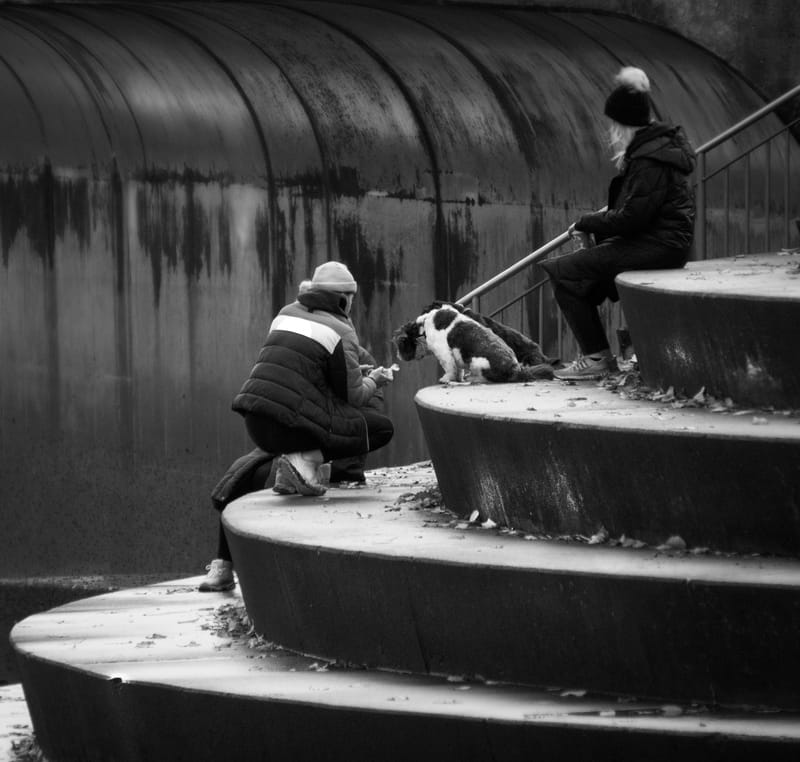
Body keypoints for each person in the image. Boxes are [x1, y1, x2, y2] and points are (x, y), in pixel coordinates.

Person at [198, 261, 395, 592]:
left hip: (258, 421)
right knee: (381, 428)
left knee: (244, 474)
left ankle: (221, 567)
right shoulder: (342, 333)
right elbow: (355, 396)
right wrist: (373, 379)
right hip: (298, 431)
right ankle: (307, 461)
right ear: (345, 299)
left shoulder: (285, 314)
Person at [541, 66, 696, 380]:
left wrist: (587, 222)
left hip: (661, 244)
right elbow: (635, 214)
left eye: (613, 123)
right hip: (660, 241)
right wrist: (595, 228)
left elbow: (632, 217)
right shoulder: (655, 149)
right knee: (574, 281)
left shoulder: (650, 159)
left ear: (624, 124)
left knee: (565, 272)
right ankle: (598, 356)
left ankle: (597, 357)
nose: (611, 130)